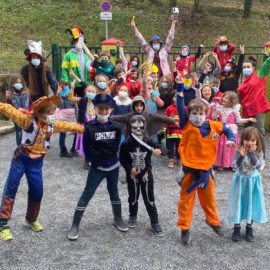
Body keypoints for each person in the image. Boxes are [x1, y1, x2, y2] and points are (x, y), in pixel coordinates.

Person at [0, 96, 84, 241]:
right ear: (39, 113)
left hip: (37, 163)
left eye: (53, 112)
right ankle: (2, 224)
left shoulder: (53, 125)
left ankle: (31, 219)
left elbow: (70, 126)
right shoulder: (27, 121)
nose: (52, 115)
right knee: (11, 189)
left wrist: (86, 130)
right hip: (21, 159)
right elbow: (9, 110)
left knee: (37, 191)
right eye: (48, 112)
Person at [176, 80, 236, 245]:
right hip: (189, 171)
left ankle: (213, 221)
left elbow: (227, 129)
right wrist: (180, 88)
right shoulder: (186, 124)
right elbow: (180, 104)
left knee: (209, 200)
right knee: (186, 202)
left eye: (200, 113)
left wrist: (231, 139)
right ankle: (184, 228)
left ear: (206, 113)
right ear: (189, 115)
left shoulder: (213, 125)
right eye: (194, 113)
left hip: (206, 172)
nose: (197, 116)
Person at [67, 94, 128, 241]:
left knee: (114, 192)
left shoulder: (117, 127)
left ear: (111, 109)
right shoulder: (89, 127)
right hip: (97, 167)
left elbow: (115, 147)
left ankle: (117, 218)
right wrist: (93, 160)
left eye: (107, 108)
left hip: (113, 166)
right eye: (101, 108)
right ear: (95, 108)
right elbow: (86, 148)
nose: (104, 111)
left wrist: (110, 156)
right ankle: (75, 224)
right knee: (87, 194)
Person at [120, 115, 165, 236]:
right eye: (134, 127)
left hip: (146, 174)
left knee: (149, 198)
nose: (138, 130)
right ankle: (132, 215)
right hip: (132, 176)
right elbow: (122, 158)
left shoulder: (149, 141)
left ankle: (155, 222)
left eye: (141, 127)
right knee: (133, 197)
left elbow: (163, 150)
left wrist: (159, 150)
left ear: (144, 127)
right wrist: (129, 169)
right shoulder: (126, 143)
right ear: (130, 127)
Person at [227, 127, 268, 242]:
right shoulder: (238, 151)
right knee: (238, 203)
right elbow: (235, 166)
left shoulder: (258, 152)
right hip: (240, 182)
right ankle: (237, 227)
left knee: (251, 203)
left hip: (253, 182)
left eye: (253, 140)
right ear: (242, 140)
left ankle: (249, 227)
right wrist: (241, 155)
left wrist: (252, 154)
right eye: (247, 140)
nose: (250, 143)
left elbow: (258, 166)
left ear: (257, 142)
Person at [210, 91, 256, 170]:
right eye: (224, 97)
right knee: (220, 146)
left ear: (232, 101)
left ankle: (231, 163)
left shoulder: (234, 110)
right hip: (221, 128)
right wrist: (213, 110)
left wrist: (248, 119)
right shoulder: (219, 107)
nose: (224, 99)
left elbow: (239, 120)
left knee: (229, 147)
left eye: (227, 98)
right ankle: (220, 163)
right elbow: (214, 117)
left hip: (231, 130)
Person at [237, 56, 270, 160]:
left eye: (248, 66)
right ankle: (247, 154)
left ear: (254, 68)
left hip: (258, 108)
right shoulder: (244, 82)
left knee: (259, 131)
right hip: (247, 109)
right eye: (244, 67)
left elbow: (268, 63)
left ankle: (262, 156)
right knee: (247, 132)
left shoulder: (259, 74)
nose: (246, 69)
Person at [61, 26, 92, 97]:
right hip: (73, 84)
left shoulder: (87, 56)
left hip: (84, 83)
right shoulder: (68, 55)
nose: (79, 43)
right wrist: (66, 83)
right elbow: (64, 70)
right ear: (74, 42)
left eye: (80, 41)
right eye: (77, 41)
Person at [5, 74, 32, 145]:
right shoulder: (10, 94)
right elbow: (9, 106)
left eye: (20, 83)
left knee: (28, 130)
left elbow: (31, 103)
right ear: (13, 84)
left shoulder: (27, 92)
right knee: (19, 131)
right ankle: (19, 147)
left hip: (26, 114)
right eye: (17, 83)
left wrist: (28, 110)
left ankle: (28, 145)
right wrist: (7, 99)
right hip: (16, 115)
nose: (19, 84)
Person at [55, 82, 78, 158]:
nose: (64, 90)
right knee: (62, 134)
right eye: (62, 88)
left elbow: (76, 109)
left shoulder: (72, 98)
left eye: (66, 88)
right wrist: (58, 95)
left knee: (76, 134)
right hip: (62, 119)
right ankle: (63, 151)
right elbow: (60, 105)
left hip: (72, 119)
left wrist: (77, 120)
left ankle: (74, 149)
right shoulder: (60, 99)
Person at [164, 91, 181, 168]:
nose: (176, 98)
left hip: (180, 132)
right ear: (172, 98)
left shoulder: (184, 108)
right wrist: (164, 129)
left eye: (178, 97)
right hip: (170, 131)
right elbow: (165, 120)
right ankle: (170, 160)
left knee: (180, 146)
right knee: (170, 147)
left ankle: (179, 159)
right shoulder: (169, 108)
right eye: (174, 97)